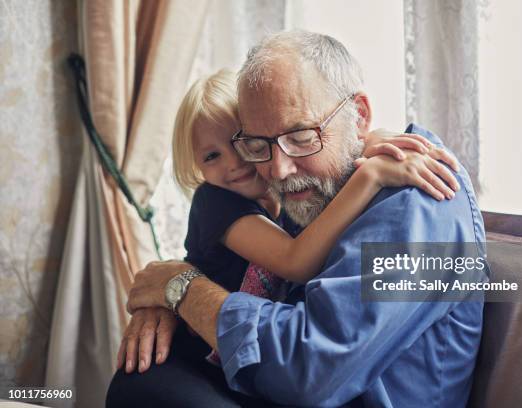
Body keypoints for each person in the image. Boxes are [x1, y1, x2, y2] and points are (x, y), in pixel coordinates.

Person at [108, 30, 485, 407]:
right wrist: (171, 297)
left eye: (301, 136)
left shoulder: (419, 200)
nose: (278, 168)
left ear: (360, 117)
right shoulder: (316, 190)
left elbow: (313, 368)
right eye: (258, 145)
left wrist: (184, 291)